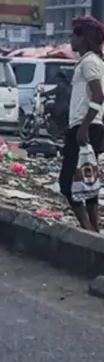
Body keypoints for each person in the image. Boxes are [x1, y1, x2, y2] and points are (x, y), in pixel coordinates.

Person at [60, 16, 104, 232]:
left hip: (84, 128)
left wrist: (84, 127)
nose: (70, 40)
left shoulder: (89, 63)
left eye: (73, 36)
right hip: (90, 127)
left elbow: (98, 95)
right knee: (88, 182)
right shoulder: (92, 61)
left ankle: (87, 230)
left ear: (82, 38)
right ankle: (95, 231)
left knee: (68, 183)